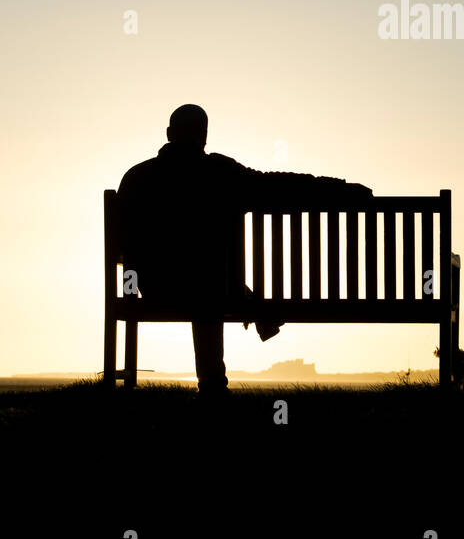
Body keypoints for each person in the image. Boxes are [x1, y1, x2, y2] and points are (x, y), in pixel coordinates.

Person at [116, 104, 372, 395]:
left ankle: (249, 312)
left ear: (169, 134)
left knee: (204, 280)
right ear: (204, 136)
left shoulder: (137, 177)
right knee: (206, 282)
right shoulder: (220, 173)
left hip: (158, 289)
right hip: (211, 289)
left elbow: (123, 248)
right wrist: (341, 190)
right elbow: (279, 187)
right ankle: (230, 349)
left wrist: (137, 282)